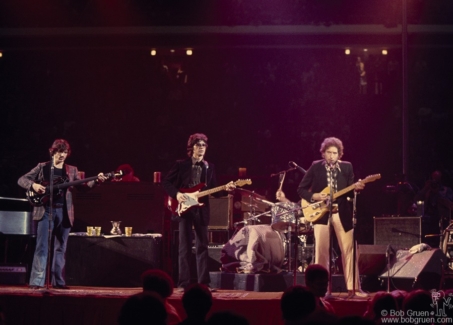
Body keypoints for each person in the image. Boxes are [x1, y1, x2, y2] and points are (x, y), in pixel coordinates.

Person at [17, 139, 107, 289]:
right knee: (42, 247)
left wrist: (97, 181)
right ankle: (37, 282)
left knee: (61, 248)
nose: (62, 155)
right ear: (53, 152)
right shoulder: (42, 167)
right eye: (59, 152)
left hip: (64, 212)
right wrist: (34, 184)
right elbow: (22, 179)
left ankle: (58, 282)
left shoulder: (72, 170)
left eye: (65, 153)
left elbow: (83, 187)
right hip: (45, 211)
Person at [162, 133, 234, 289]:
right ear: (192, 147)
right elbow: (166, 182)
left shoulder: (210, 167)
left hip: (201, 209)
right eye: (198, 145)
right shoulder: (181, 165)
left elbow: (214, 190)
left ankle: (204, 283)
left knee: (202, 247)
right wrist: (178, 194)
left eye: (204, 145)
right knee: (184, 248)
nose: (201, 148)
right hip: (184, 208)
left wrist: (226, 189)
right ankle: (183, 283)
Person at [297, 137, 366, 297]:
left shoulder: (347, 167)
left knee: (349, 250)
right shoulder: (315, 167)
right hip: (321, 214)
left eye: (335, 153)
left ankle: (354, 288)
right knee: (321, 252)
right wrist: (315, 196)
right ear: (323, 153)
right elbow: (301, 189)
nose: (331, 156)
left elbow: (349, 190)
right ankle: (321, 290)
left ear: (340, 154)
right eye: (328, 152)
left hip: (341, 213)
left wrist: (357, 188)